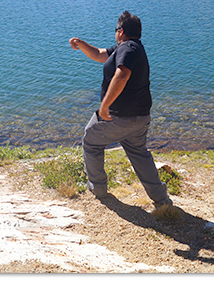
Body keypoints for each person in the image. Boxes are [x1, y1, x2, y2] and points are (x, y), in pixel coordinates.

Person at [68, 11, 172, 209]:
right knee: (139, 154)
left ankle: (97, 188)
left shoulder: (127, 48)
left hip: (119, 117)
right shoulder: (130, 48)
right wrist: (81, 44)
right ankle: (162, 199)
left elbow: (122, 74)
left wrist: (104, 106)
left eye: (116, 31)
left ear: (121, 31)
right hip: (140, 117)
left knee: (91, 142)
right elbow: (99, 54)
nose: (115, 34)